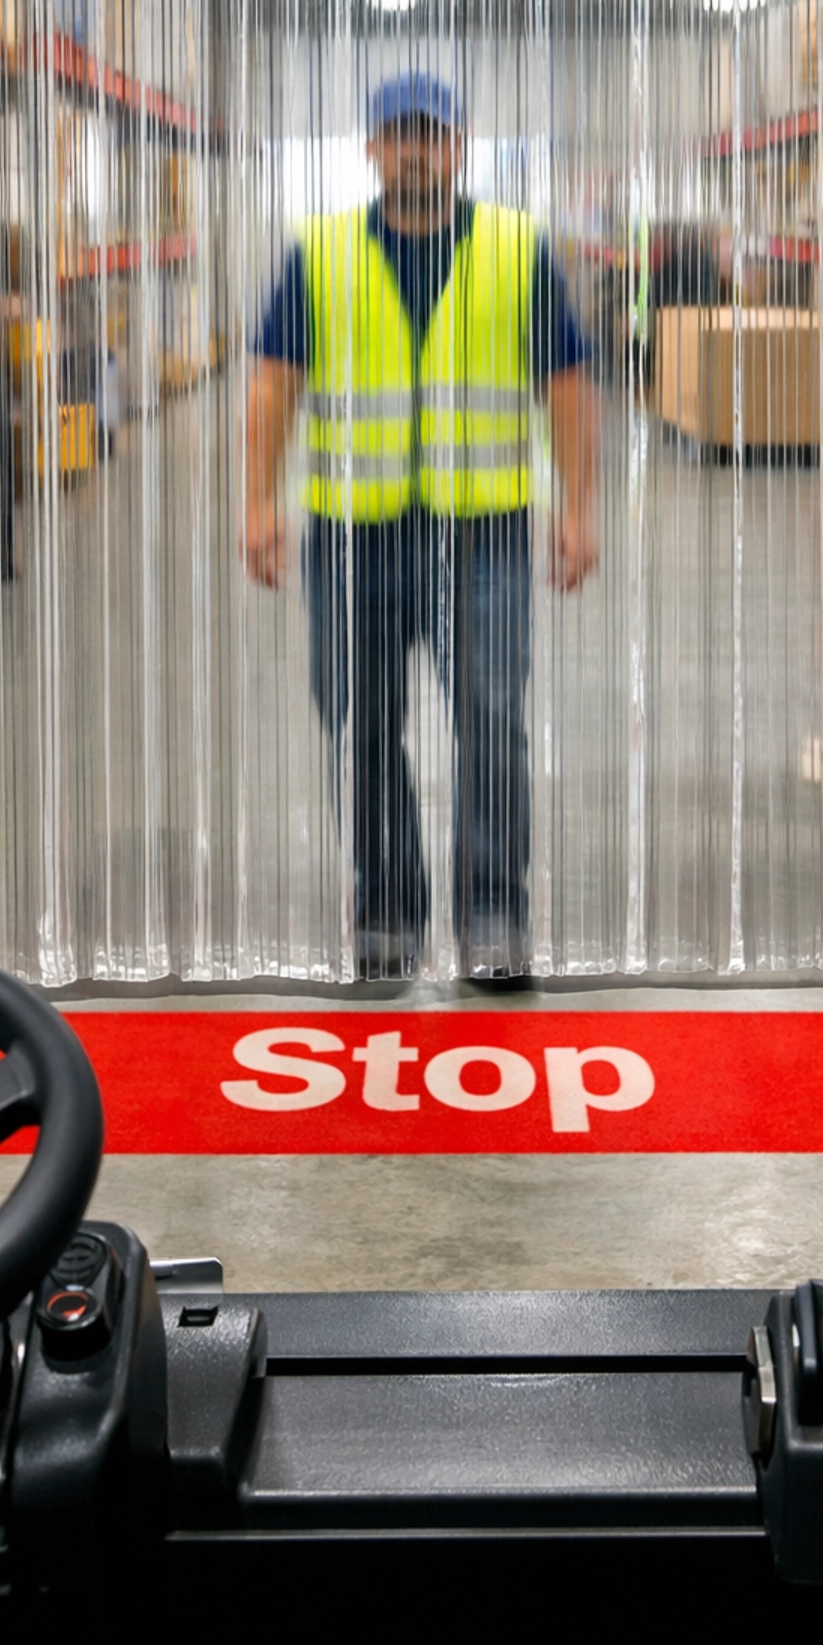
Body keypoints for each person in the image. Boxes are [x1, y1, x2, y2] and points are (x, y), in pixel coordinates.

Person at [241, 75, 599, 982]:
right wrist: (257, 500)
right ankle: (389, 911)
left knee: (488, 721)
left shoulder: (517, 249)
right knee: (360, 727)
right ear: (371, 147)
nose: (416, 152)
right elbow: (274, 380)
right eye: (399, 136)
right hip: (354, 537)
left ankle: (492, 916)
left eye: (432, 136)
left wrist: (579, 506)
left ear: (461, 144)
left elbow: (564, 383)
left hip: (484, 534)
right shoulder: (320, 252)